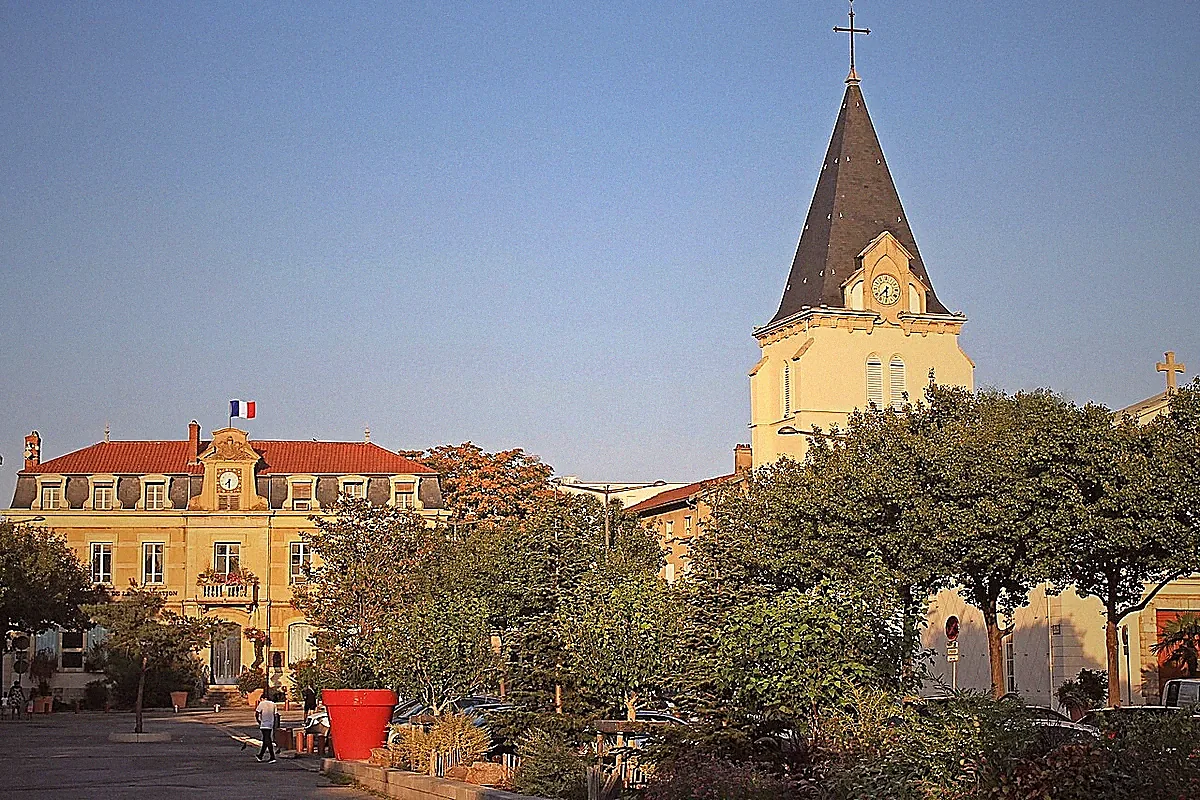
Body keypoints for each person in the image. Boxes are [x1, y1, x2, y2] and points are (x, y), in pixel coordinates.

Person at [254, 689, 278, 763]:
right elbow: (276, 714)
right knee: (266, 740)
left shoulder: (262, 704)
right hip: (271, 723)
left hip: (264, 724)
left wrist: (258, 721)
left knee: (267, 740)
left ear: (262, 698)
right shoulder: (273, 704)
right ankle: (260, 755)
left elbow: (257, 713)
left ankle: (272, 756)